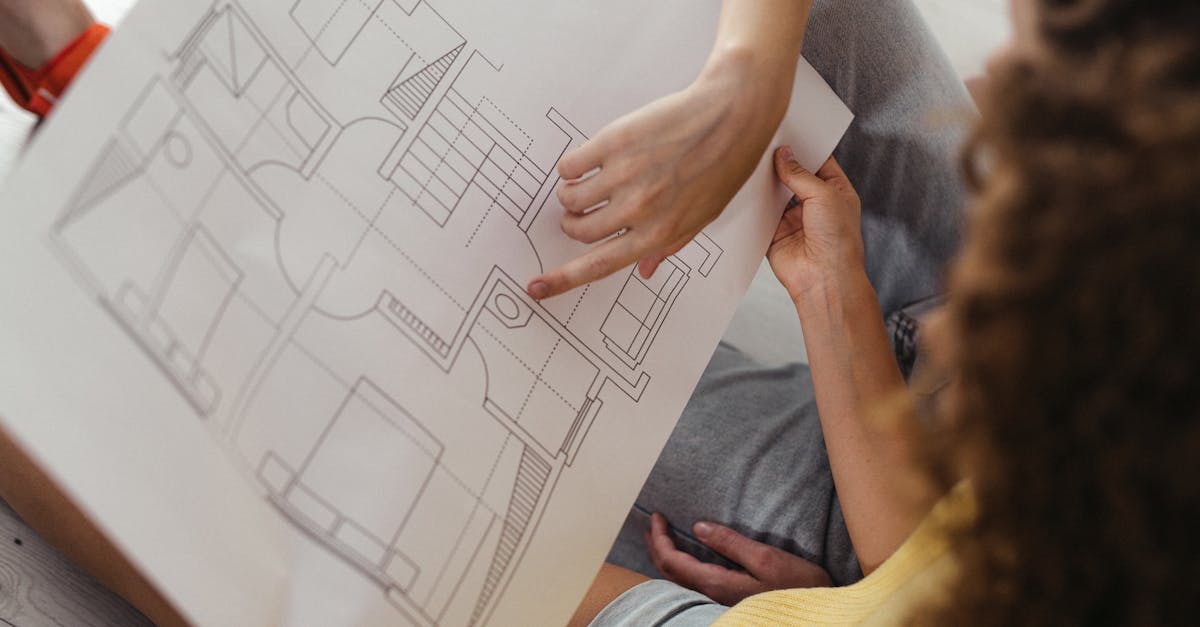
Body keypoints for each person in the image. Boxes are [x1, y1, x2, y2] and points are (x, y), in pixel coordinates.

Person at [570, 0, 1200, 624]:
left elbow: (546, 596)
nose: (978, 85)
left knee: (560, 399)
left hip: (908, 554)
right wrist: (749, 83)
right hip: (973, 502)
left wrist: (840, 605)